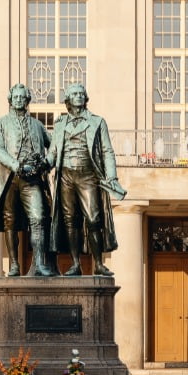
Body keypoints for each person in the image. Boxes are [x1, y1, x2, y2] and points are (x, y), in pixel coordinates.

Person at [46, 83, 126, 275]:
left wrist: (112, 176)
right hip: (65, 175)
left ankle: (98, 263)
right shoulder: (59, 124)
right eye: (74, 94)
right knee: (69, 220)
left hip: (88, 174)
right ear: (68, 100)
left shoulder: (98, 122)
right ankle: (75, 264)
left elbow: (107, 150)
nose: (79, 96)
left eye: (82, 94)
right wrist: (40, 165)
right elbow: (53, 153)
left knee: (93, 218)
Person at [0, 84, 52, 277]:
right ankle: (14, 264)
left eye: (22, 97)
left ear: (27, 100)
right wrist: (16, 165)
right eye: (15, 97)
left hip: (32, 178)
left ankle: (39, 263)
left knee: (38, 218)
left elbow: (54, 148)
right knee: (10, 221)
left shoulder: (38, 125)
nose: (18, 100)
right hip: (10, 177)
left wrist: (46, 163)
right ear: (10, 100)